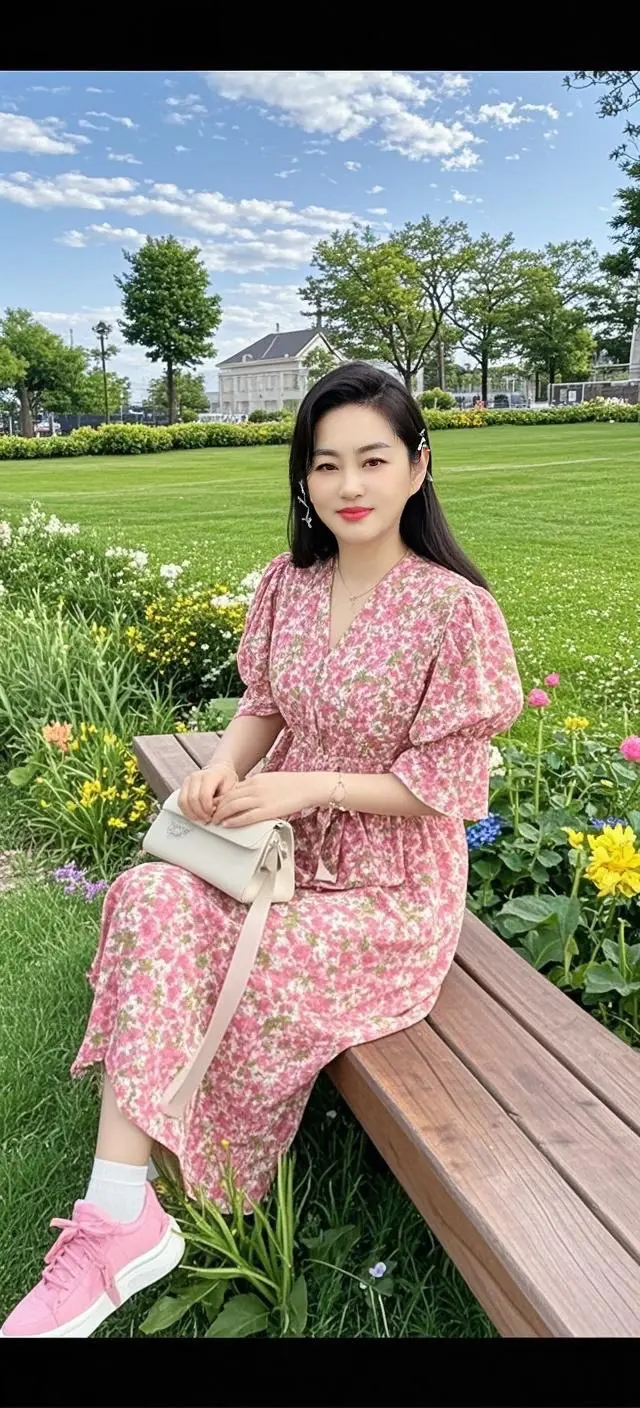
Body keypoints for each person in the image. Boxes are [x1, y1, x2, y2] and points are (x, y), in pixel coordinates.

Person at [1, 362, 524, 1338]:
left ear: (418, 466)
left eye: (373, 459)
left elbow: (446, 788)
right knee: (152, 897)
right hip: (276, 846)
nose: (348, 485)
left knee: (222, 957)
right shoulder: (291, 583)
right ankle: (120, 1213)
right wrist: (221, 772)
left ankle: (169, 1193)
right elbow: (265, 705)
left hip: (388, 891)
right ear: (303, 477)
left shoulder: (455, 611)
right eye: (325, 464)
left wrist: (310, 785)